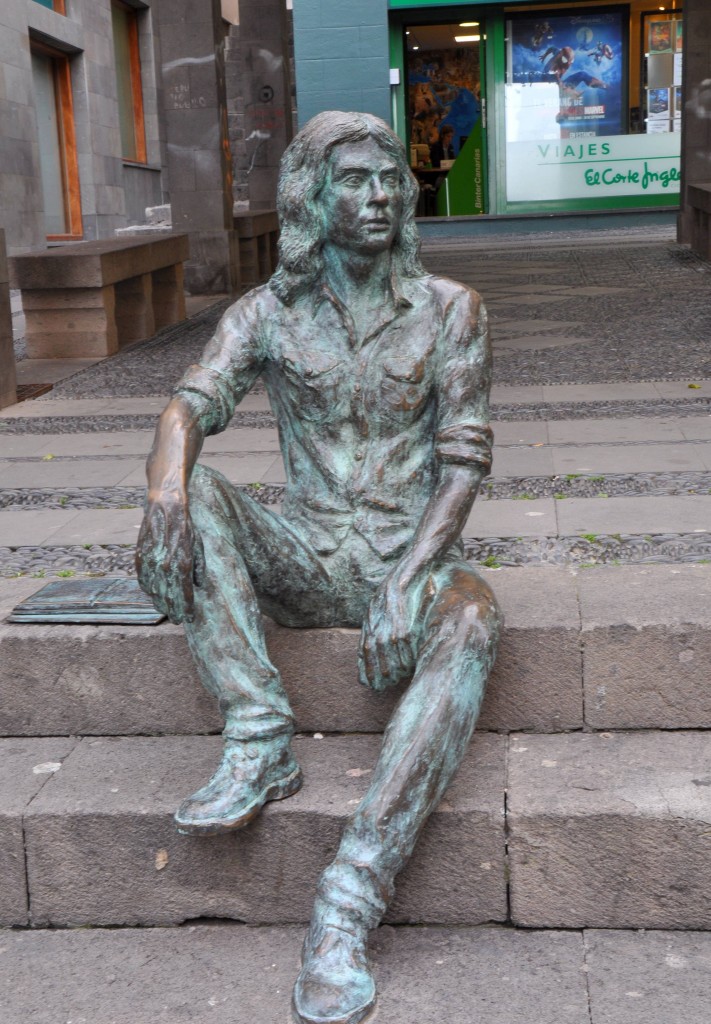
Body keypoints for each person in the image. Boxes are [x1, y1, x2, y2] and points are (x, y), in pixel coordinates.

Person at [136, 110, 501, 1024]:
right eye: (352, 180)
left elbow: (462, 463)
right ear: (311, 195)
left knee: (471, 619)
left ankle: (346, 901)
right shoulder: (266, 313)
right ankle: (259, 734)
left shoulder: (451, 309)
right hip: (306, 550)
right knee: (203, 490)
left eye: (387, 179)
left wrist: (411, 574)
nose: (376, 196)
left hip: (406, 556)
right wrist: (167, 496)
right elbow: (191, 405)